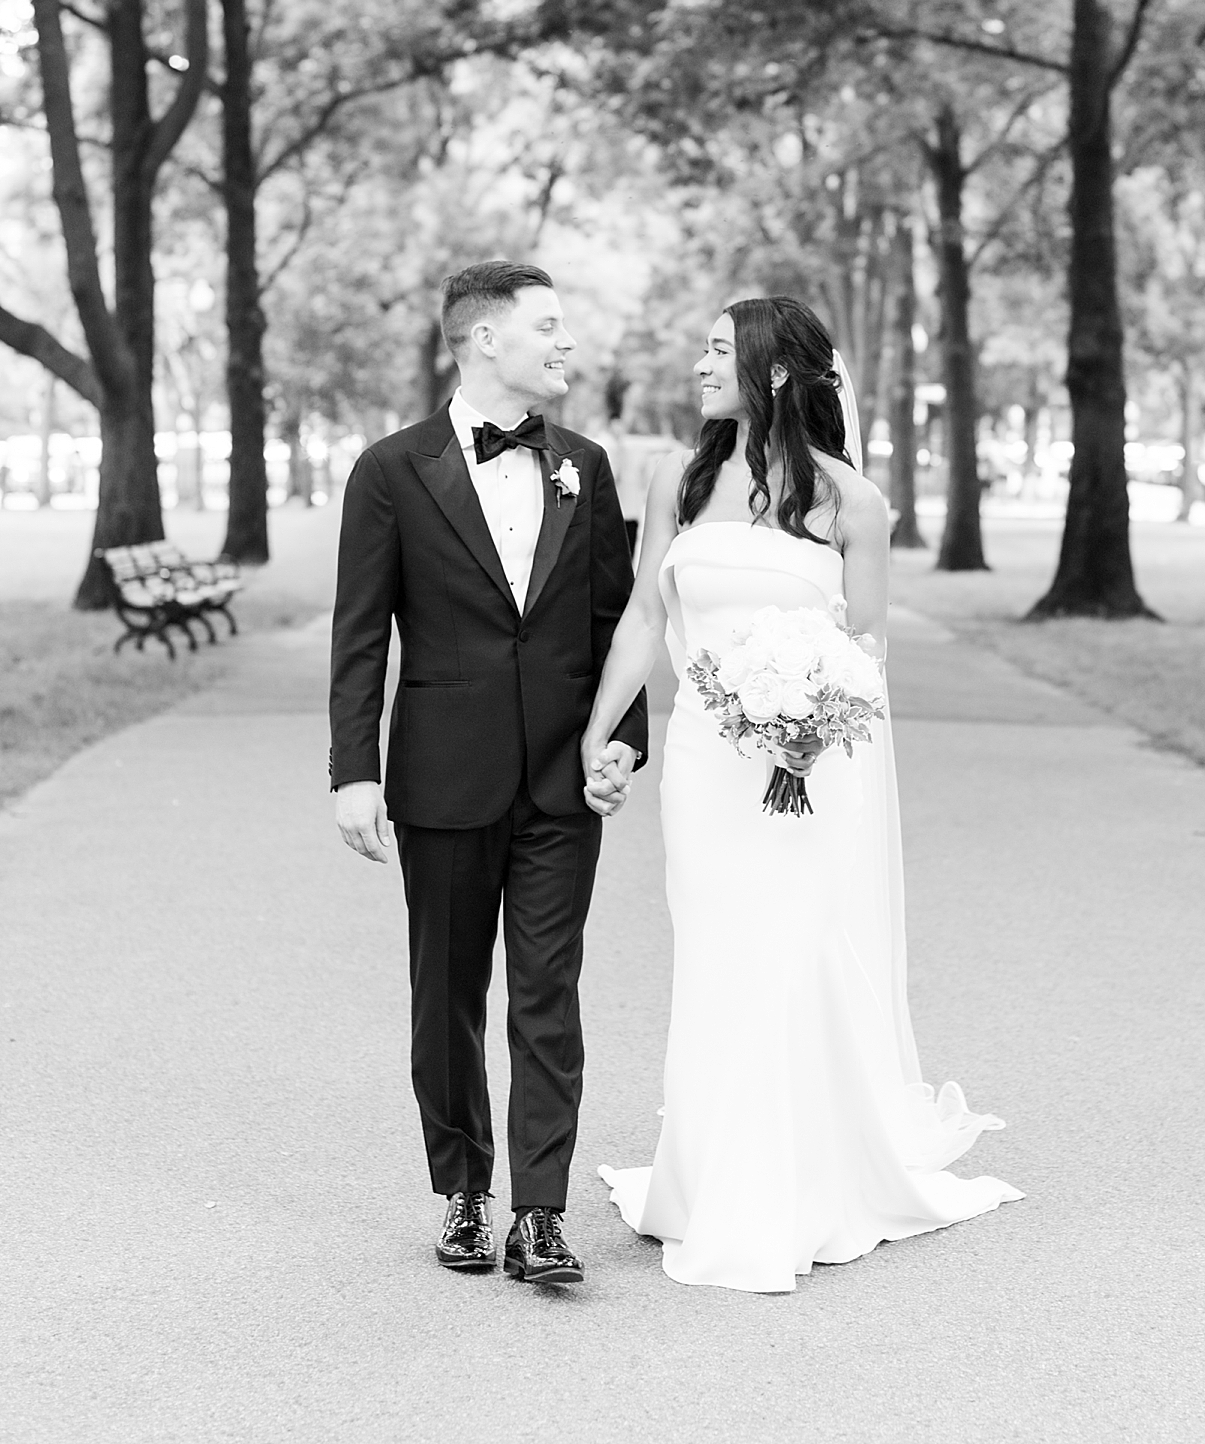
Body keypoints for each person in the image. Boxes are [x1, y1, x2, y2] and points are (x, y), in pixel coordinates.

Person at [586, 296, 1022, 1292]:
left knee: (783, 958)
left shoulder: (850, 504)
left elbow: (865, 654)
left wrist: (806, 724)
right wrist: (598, 727)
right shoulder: (676, 480)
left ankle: (782, 1189)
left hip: (805, 772)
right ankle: (706, 1180)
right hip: (705, 766)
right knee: (716, 961)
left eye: (717, 351)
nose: (699, 366)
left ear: (775, 373)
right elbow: (644, 623)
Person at [329, 259, 647, 1287]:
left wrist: (621, 740)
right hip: (442, 776)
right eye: (548, 325)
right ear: (481, 341)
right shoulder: (389, 469)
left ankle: (541, 1214)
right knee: (448, 995)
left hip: (561, 784)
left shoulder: (586, 466)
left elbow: (614, 626)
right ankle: (466, 1190)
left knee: (548, 996)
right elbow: (360, 635)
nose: (567, 344)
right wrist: (352, 771)